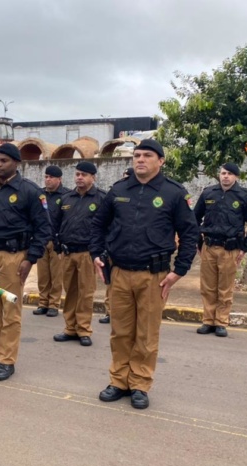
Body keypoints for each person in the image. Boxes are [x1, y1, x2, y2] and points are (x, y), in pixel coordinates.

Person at [90, 139, 198, 409]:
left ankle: (139, 383)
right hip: (119, 273)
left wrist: (179, 271)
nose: (140, 160)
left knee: (146, 334)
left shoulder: (174, 193)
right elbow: (98, 225)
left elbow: (189, 233)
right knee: (120, 332)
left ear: (160, 161)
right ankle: (118, 381)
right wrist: (96, 254)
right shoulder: (118, 190)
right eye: (136, 155)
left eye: (147, 155)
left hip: (154, 276)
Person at [0, 143, 52, 381]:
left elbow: (44, 228)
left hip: (13, 257)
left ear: (16, 163)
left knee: (10, 310)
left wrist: (31, 259)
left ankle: (6, 360)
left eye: (4, 161)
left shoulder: (29, 191)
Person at [194, 163, 247, 338]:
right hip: (208, 247)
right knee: (207, 286)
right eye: (223, 173)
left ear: (236, 177)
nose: (226, 177)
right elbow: (194, 218)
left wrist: (244, 248)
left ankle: (221, 322)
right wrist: (198, 242)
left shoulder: (244, 196)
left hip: (230, 249)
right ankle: (208, 321)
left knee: (225, 288)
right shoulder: (208, 193)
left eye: (230, 174)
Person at [53, 161, 106, 346]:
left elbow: (106, 228)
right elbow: (57, 225)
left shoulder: (101, 199)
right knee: (70, 292)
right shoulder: (66, 198)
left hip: (87, 254)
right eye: (77, 174)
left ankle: (83, 329)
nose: (79, 178)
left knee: (85, 293)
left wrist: (99, 253)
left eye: (84, 174)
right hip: (68, 253)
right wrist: (59, 248)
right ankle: (70, 328)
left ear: (93, 177)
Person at [33, 165, 69, 317]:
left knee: (56, 275)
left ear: (59, 179)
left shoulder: (67, 195)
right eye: (46, 177)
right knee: (43, 275)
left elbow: (67, 220)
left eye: (51, 177)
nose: (47, 180)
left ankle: (54, 304)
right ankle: (43, 303)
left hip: (57, 241)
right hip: (42, 240)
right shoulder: (40, 195)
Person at [100, 167, 134, 324]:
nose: (124, 180)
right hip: (113, 247)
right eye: (123, 177)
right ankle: (110, 312)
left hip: (130, 249)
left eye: (127, 177)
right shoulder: (115, 193)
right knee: (111, 283)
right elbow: (102, 221)